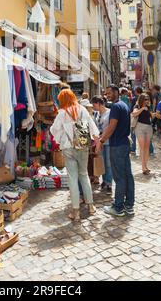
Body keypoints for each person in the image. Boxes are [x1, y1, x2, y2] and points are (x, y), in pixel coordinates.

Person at [50, 89, 100, 221]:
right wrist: (96, 139)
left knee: (72, 177)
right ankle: (91, 206)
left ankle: (76, 212)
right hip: (82, 146)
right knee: (84, 175)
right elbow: (92, 126)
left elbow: (53, 130)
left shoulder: (61, 113)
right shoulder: (82, 109)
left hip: (68, 148)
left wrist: (61, 139)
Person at [97, 85, 135, 217]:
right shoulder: (124, 105)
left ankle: (118, 207)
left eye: (109, 93)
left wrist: (101, 141)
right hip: (123, 144)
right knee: (127, 175)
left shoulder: (115, 107)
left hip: (117, 145)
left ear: (116, 92)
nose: (107, 95)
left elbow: (112, 126)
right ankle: (129, 205)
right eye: (106, 93)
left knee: (119, 177)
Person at [92, 96, 112, 194]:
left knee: (108, 163)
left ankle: (109, 183)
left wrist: (102, 139)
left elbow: (110, 128)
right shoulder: (96, 114)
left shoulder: (110, 113)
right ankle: (104, 180)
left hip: (108, 141)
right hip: (99, 141)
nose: (93, 106)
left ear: (99, 103)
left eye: (94, 104)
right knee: (102, 162)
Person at [131, 94, 155, 175]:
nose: (147, 100)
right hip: (140, 127)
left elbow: (151, 116)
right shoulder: (137, 106)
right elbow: (134, 114)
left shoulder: (149, 107)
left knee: (147, 148)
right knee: (142, 147)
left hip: (148, 127)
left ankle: (146, 165)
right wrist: (142, 108)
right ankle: (143, 167)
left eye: (148, 99)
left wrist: (153, 114)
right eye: (145, 99)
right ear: (141, 99)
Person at [130, 87, 143, 154]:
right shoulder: (145, 98)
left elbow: (131, 109)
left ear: (137, 91)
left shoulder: (134, 99)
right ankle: (150, 150)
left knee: (133, 134)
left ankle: (133, 149)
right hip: (143, 119)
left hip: (135, 118)